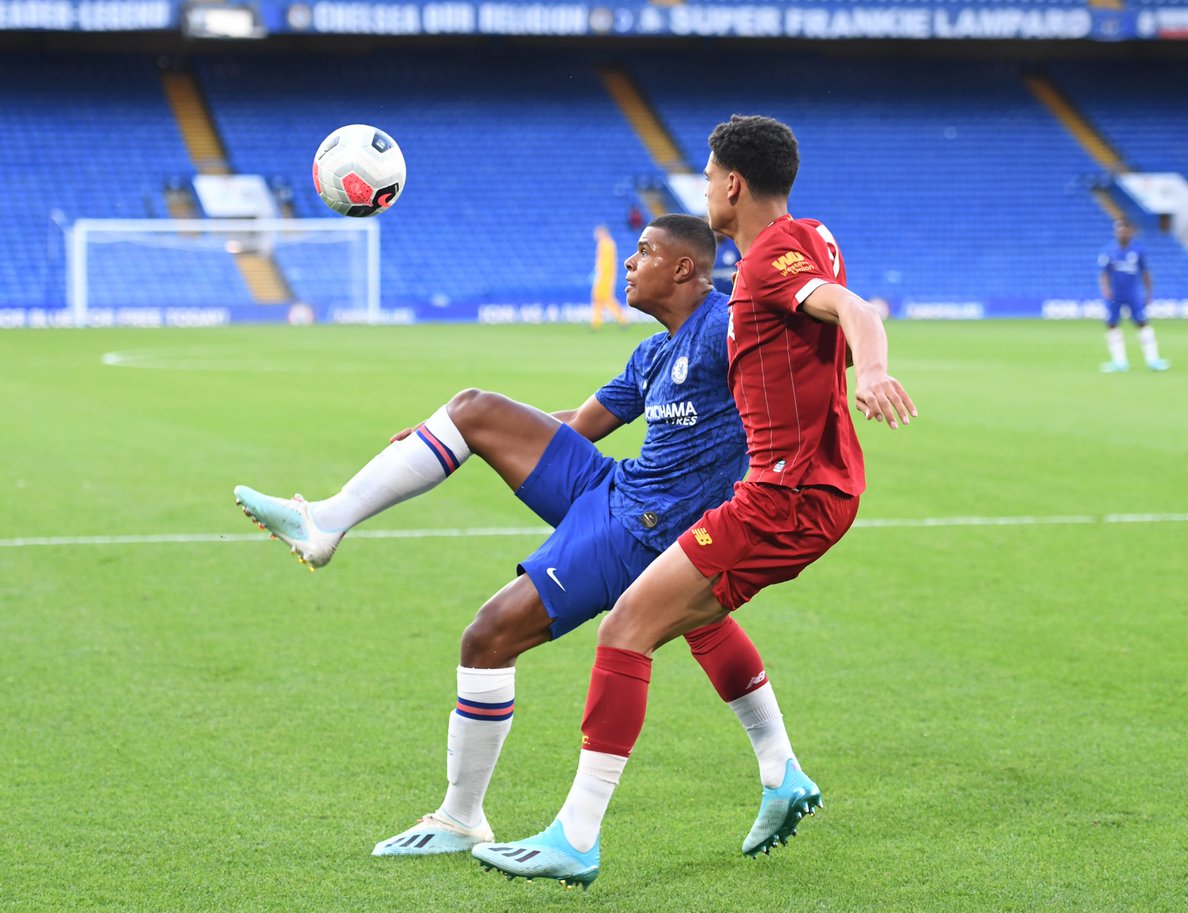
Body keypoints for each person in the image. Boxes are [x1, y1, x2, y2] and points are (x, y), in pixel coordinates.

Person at [234, 214, 805, 860]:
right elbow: (576, 426)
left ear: (682, 268)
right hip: (615, 488)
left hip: (645, 529)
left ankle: (462, 817)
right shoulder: (652, 353)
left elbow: (803, 338)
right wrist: (446, 435)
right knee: (472, 409)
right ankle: (327, 520)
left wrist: (863, 359)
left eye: (644, 251)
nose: (628, 262)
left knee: (489, 637)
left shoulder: (726, 324)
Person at [472, 115, 917, 889]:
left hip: (785, 496)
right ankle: (781, 772)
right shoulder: (813, 235)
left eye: (709, 177)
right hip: (811, 486)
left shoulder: (767, 260)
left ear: (733, 184)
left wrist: (871, 369)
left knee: (627, 626)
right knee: (690, 615)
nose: (705, 189)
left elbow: (857, 310)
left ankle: (576, 837)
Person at [1098, 218, 1169, 373]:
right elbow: (1104, 274)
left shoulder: (1138, 251)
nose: (1123, 232)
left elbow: (1145, 273)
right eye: (1120, 229)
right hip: (1115, 296)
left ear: (1130, 232)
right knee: (1112, 324)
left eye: (1125, 229)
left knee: (1142, 323)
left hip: (1133, 295)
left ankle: (1153, 360)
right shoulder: (1109, 251)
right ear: (1116, 232)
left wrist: (1149, 292)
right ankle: (1119, 362)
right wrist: (1105, 289)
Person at [590, 224, 628, 329]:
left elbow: (605, 262)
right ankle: (596, 323)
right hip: (605, 275)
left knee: (605, 298)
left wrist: (599, 273)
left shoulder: (606, 244)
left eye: (598, 232)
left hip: (605, 276)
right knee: (598, 298)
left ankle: (622, 319)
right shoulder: (608, 243)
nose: (596, 235)